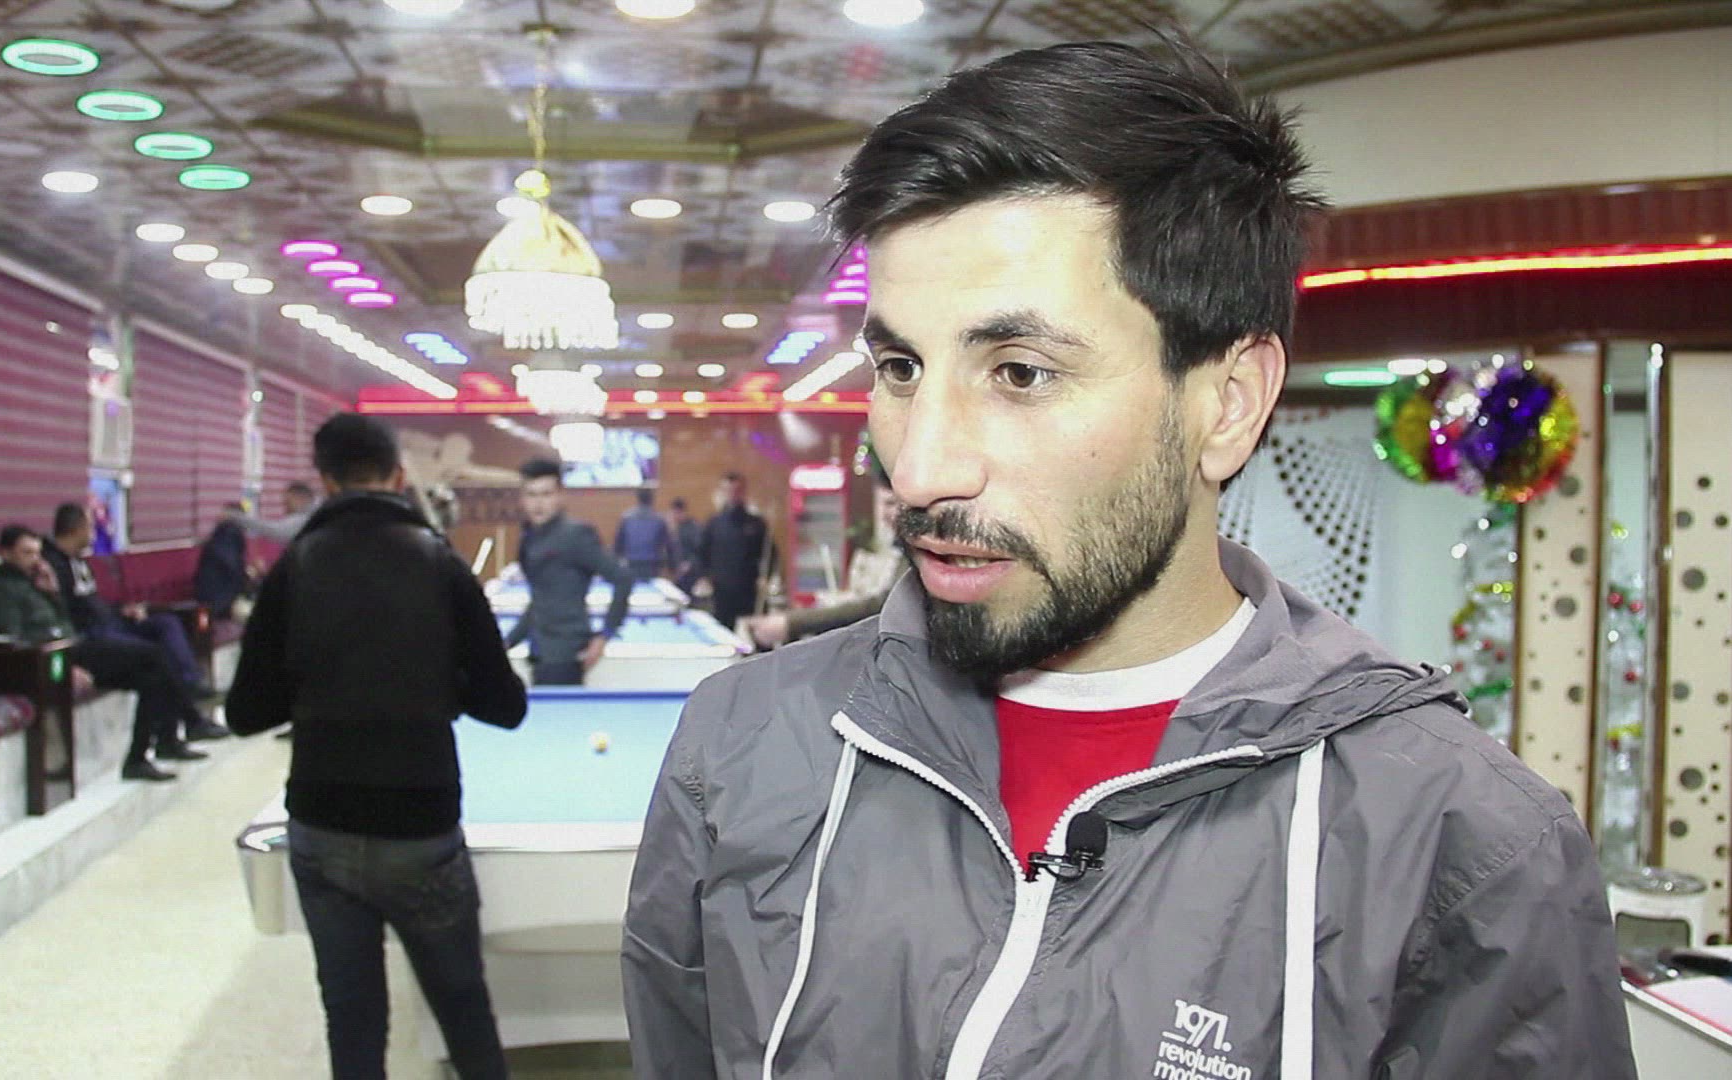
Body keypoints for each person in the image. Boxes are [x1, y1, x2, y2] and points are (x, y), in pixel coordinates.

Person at [622, 39, 1634, 1080]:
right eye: (899, 366)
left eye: (1020, 372)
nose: (918, 469)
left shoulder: (1465, 852)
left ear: (1227, 402)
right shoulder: (738, 745)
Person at [226, 413, 527, 1080]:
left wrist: (315, 682)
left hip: (322, 820)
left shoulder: (293, 568)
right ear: (396, 475)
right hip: (421, 820)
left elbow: (244, 713)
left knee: (353, 1017)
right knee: (463, 1009)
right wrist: (438, 684)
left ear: (325, 480)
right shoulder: (439, 562)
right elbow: (506, 707)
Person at [0, 525, 205, 781]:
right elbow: (13, 637)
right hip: (54, 657)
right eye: (26, 553)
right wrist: (66, 667)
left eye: (37, 553)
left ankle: (142, 756)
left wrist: (53, 593)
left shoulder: (36, 581)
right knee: (153, 655)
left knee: (152, 676)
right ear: (6, 553)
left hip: (74, 645)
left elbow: (63, 621)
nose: (34, 560)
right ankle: (188, 722)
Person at [43, 503, 229, 744]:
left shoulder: (79, 562)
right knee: (157, 658)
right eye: (90, 527)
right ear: (76, 529)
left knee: (166, 624)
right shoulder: (53, 567)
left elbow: (94, 602)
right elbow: (70, 611)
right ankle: (187, 722)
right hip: (90, 635)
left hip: (110, 623)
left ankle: (191, 682)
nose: (94, 533)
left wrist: (122, 609)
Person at [503, 458, 635, 686]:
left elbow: (623, 578)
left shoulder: (576, 535)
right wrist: (507, 643)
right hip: (538, 655)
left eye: (546, 494)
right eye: (532, 495)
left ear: (560, 496)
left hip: (567, 657)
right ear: (522, 499)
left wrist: (604, 635)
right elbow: (540, 602)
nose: (538, 503)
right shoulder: (529, 539)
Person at [743, 469, 904, 648]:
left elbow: (880, 604)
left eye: (891, 503)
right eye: (883, 505)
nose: (883, 515)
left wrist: (792, 623)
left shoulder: (914, 552)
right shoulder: (903, 548)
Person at [694, 472, 773, 631]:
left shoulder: (756, 524)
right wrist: (704, 577)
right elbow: (702, 553)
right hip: (722, 590)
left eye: (737, 490)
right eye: (728, 491)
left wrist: (766, 577)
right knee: (723, 631)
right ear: (723, 492)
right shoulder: (714, 523)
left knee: (754, 633)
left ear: (743, 492)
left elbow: (770, 554)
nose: (732, 494)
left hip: (749, 589)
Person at [194, 503, 254, 620]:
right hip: (220, 596)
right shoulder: (229, 534)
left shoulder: (223, 534)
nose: (220, 515)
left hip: (212, 593)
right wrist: (246, 578)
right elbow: (231, 564)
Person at [611, 488, 673, 584]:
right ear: (652, 500)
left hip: (631, 562)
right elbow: (669, 544)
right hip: (652, 564)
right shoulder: (659, 519)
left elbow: (618, 543)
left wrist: (615, 562)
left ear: (638, 499)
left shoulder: (627, 518)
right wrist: (672, 566)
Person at [234, 480, 318, 544]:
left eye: (287, 503)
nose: (286, 508)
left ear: (301, 498)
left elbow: (275, 530)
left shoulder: (306, 517)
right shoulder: (318, 512)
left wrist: (235, 517)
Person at [666, 496, 702, 595]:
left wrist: (689, 563)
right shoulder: (674, 528)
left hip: (690, 573)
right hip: (678, 573)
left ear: (682, 512)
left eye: (676, 513)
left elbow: (699, 550)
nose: (674, 516)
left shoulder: (693, 528)